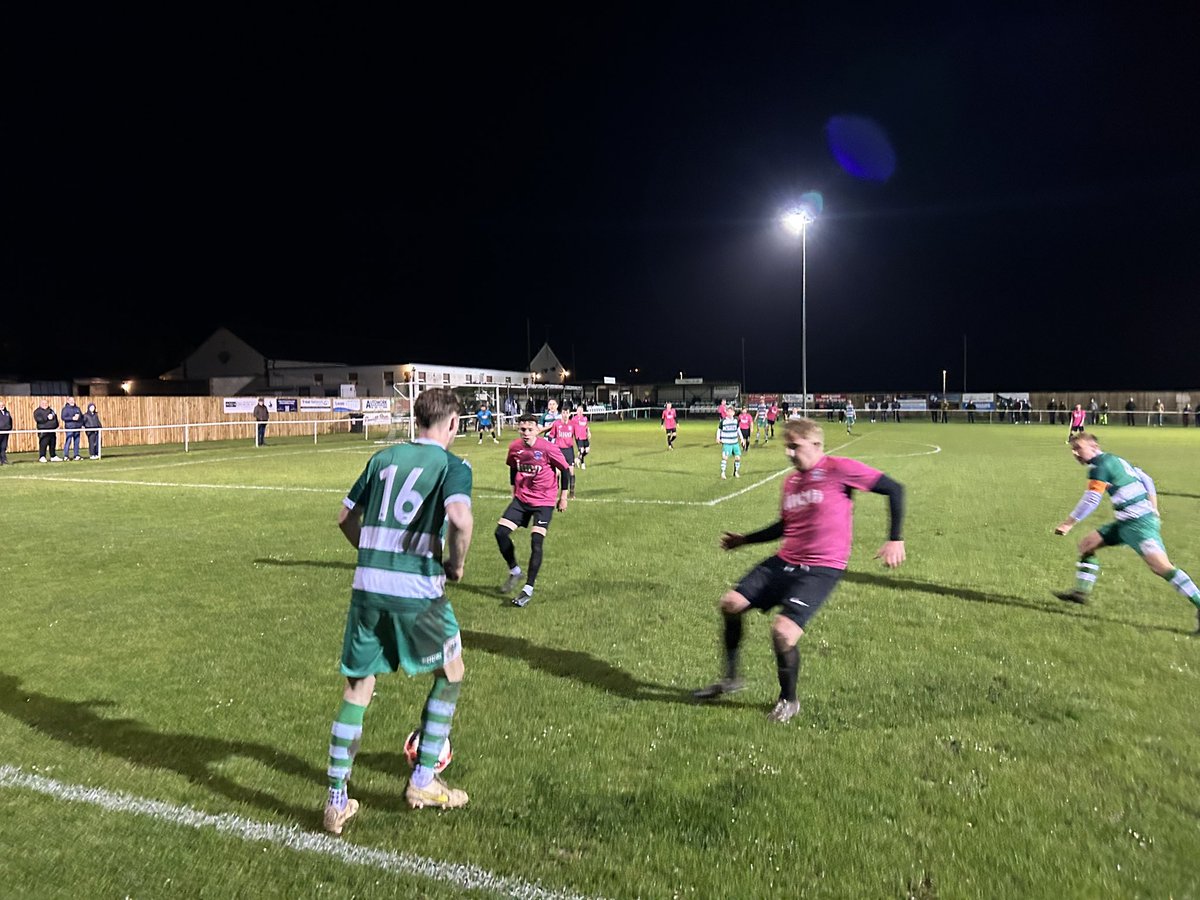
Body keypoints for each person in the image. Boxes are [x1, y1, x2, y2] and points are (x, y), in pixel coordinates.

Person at [322, 387, 474, 835]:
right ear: (451, 424)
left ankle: (335, 800)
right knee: (451, 673)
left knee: (358, 688)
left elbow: (344, 518)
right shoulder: (452, 465)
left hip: (367, 587)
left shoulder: (382, 458)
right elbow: (461, 519)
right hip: (416, 590)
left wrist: (369, 551)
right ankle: (423, 780)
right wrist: (457, 565)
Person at [693, 417, 906, 722]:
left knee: (782, 633)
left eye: (795, 446)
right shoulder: (791, 482)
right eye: (787, 447)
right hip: (785, 561)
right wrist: (745, 540)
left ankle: (788, 700)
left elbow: (894, 489)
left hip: (822, 568)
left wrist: (895, 539)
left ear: (816, 445)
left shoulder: (839, 468)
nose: (789, 453)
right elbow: (785, 526)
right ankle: (730, 679)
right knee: (730, 604)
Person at [1053, 433, 1200, 634]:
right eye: (1073, 449)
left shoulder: (1100, 466)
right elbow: (1146, 478)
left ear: (1094, 447)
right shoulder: (1115, 459)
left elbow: (1091, 500)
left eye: (1078, 448)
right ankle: (1080, 593)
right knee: (1087, 545)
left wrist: (1068, 524)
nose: (1075, 453)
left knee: (1161, 567)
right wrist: (1154, 508)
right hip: (1125, 523)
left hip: (1139, 525)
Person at [496, 413, 571, 607]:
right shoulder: (515, 447)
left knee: (536, 541)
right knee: (500, 533)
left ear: (537, 429)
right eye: (522, 429)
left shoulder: (547, 448)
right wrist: (514, 490)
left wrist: (563, 497)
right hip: (522, 499)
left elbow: (564, 470)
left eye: (530, 429)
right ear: (518, 430)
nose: (526, 433)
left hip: (544, 501)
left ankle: (527, 588)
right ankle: (515, 571)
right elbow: (513, 467)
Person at [548, 407, 578, 503]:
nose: (565, 415)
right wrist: (550, 448)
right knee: (557, 472)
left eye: (567, 413)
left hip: (569, 450)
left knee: (571, 472)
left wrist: (579, 452)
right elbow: (551, 436)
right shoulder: (556, 424)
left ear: (569, 414)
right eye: (564, 412)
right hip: (559, 450)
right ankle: (555, 493)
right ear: (561, 413)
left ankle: (572, 493)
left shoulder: (572, 424)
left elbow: (577, 437)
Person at [717, 405, 742, 479]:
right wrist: (718, 438)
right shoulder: (723, 421)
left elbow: (738, 430)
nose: (730, 413)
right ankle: (723, 473)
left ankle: (736, 472)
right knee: (725, 457)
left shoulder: (735, 421)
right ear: (726, 412)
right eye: (728, 411)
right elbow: (719, 430)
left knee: (737, 458)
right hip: (727, 443)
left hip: (735, 442)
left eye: (731, 411)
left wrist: (742, 438)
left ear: (734, 413)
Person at [571, 404, 591, 469]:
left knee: (587, 450)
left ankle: (578, 459)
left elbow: (586, 427)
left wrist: (589, 432)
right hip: (578, 437)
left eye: (581, 410)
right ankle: (582, 463)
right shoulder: (574, 419)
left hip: (584, 437)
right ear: (576, 411)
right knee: (581, 450)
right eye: (578, 410)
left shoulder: (585, 418)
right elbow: (571, 427)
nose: (580, 412)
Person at [0, 400, 12, 465]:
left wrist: (9, 428)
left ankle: (4, 460)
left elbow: (10, 421)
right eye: (0, 405)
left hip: (5, 432)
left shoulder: (7, 413)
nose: (1, 406)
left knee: (3, 446)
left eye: (2, 405)